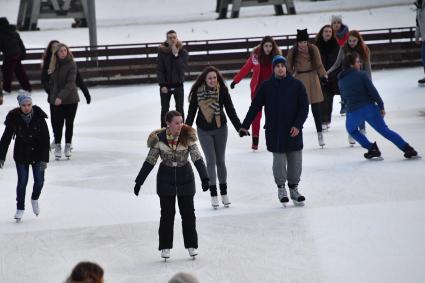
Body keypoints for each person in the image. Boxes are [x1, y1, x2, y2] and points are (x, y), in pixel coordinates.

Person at [133, 110, 209, 260]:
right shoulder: (159, 138)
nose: (180, 125)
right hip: (165, 178)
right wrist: (139, 181)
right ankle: (165, 246)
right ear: (168, 123)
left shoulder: (187, 135)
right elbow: (150, 160)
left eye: (181, 122)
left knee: (188, 214)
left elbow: (197, 157)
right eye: (176, 123)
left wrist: (205, 177)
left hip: (185, 176)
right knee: (167, 214)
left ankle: (191, 245)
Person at [239, 55, 309, 206]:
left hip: (293, 131)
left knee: (295, 161)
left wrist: (298, 125)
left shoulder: (297, 85)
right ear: (273, 69)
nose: (280, 68)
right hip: (275, 131)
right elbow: (255, 107)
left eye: (282, 65)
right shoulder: (266, 86)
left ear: (286, 67)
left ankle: (294, 189)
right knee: (279, 161)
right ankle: (281, 188)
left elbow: (304, 107)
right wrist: (245, 125)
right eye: (277, 66)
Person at [338, 52, 418, 160]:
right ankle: (408, 149)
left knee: (351, 130)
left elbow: (344, 98)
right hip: (369, 108)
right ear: (351, 65)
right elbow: (373, 91)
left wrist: (347, 110)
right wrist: (381, 106)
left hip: (353, 111)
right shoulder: (362, 75)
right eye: (357, 62)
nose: (359, 64)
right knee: (385, 131)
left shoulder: (341, 80)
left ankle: (372, 148)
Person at [186, 66, 242, 209]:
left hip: (220, 129)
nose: (212, 80)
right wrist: (186, 131)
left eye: (214, 78)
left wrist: (239, 127)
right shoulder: (198, 93)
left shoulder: (222, 91)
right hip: (204, 130)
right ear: (205, 79)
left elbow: (230, 110)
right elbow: (191, 113)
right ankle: (213, 194)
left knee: (220, 160)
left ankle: (224, 193)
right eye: (209, 78)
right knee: (210, 161)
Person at [0, 93, 50, 222]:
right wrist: (1, 157)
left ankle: (34, 199)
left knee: (39, 181)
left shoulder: (39, 116)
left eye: (29, 105)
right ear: (20, 105)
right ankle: (20, 208)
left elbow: (46, 138)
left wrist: (44, 158)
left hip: (38, 154)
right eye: (24, 105)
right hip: (21, 154)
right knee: (22, 182)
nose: (27, 107)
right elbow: (5, 139)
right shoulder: (14, 118)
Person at [230, 36, 281, 150]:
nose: (268, 48)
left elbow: (283, 71)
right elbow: (245, 68)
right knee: (256, 116)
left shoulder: (276, 58)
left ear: (273, 47)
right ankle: (255, 140)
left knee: (271, 114)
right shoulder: (255, 57)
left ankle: (271, 137)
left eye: (270, 46)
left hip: (272, 91)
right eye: (266, 46)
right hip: (257, 90)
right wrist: (235, 80)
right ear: (262, 46)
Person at [41, 40, 91, 148]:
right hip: (53, 96)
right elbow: (45, 80)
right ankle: (57, 139)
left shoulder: (71, 64)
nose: (61, 51)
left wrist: (86, 93)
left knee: (67, 122)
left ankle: (67, 142)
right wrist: (50, 91)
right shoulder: (49, 64)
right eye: (54, 47)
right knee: (55, 121)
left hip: (67, 97)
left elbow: (76, 79)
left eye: (64, 50)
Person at [327, 30, 370, 144]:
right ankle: (352, 131)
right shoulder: (343, 49)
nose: (351, 43)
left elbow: (368, 68)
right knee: (350, 107)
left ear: (358, 40)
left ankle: (362, 129)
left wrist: (369, 84)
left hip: (360, 81)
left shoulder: (364, 49)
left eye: (354, 41)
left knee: (361, 107)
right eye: (350, 40)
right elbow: (337, 64)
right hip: (347, 81)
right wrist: (328, 72)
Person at [287, 29, 328, 148]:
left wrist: (323, 75)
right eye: (300, 42)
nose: (303, 45)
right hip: (299, 79)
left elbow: (319, 64)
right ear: (297, 42)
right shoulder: (293, 51)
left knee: (316, 109)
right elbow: (289, 66)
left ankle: (320, 133)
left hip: (313, 77)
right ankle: (297, 133)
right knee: (300, 109)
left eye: (305, 42)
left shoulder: (313, 49)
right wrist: (287, 78)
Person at [48, 43, 80, 160]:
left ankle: (67, 145)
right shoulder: (53, 65)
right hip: (56, 100)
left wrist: (60, 97)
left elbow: (71, 83)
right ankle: (57, 146)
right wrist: (53, 96)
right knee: (58, 124)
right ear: (56, 53)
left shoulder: (71, 64)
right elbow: (52, 84)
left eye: (65, 51)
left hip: (71, 100)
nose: (63, 53)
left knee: (69, 123)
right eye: (61, 51)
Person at [156, 30, 189, 128]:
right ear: (167, 39)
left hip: (178, 85)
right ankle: (163, 130)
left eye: (174, 37)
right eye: (170, 38)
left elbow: (182, 68)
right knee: (165, 109)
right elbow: (159, 69)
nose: (172, 40)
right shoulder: (162, 51)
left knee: (179, 109)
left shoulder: (182, 51)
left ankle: (181, 129)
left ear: (177, 38)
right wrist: (162, 85)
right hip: (165, 86)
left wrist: (176, 55)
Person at [315, 25, 341, 131]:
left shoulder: (336, 46)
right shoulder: (316, 46)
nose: (328, 33)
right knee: (322, 99)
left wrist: (331, 74)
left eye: (330, 31)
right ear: (322, 33)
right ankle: (323, 121)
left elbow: (338, 62)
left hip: (332, 76)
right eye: (326, 31)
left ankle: (326, 120)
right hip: (319, 76)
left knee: (329, 98)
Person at [0, 17, 31, 94]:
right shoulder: (14, 32)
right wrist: (23, 54)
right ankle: (27, 88)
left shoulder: (1, 33)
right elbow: (21, 44)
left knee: (7, 72)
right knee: (19, 72)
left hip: (10, 56)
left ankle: (7, 89)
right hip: (17, 54)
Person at [415, 0, 425, 86]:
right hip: (424, 39)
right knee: (424, 58)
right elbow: (418, 23)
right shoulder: (419, 7)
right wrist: (417, 36)